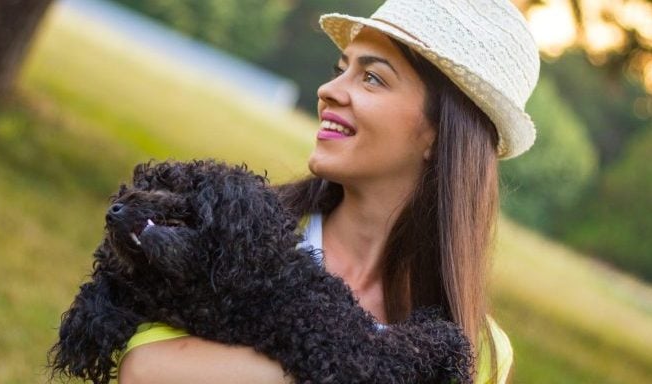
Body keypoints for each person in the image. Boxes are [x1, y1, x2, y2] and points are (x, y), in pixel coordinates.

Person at [118, 0, 540, 383]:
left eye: (372, 78)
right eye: (343, 70)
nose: (329, 91)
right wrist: (356, 362)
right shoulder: (239, 232)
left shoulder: (480, 350)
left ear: (440, 134)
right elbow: (144, 370)